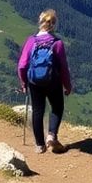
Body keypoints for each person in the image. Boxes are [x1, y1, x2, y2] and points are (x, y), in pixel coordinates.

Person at [17, 8, 73, 154]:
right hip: (53, 81)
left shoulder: (31, 41)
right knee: (57, 107)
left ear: (40, 23)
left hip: (34, 82)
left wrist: (24, 83)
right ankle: (51, 136)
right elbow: (64, 68)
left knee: (37, 111)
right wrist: (67, 86)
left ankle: (39, 145)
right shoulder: (57, 43)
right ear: (54, 25)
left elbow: (22, 65)